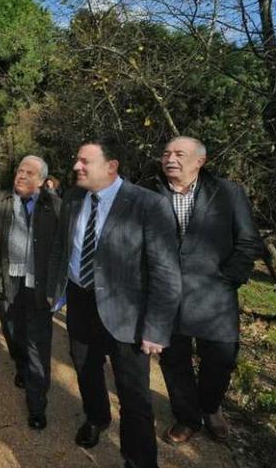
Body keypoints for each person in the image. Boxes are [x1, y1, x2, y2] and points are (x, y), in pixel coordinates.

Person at [47, 141, 181, 468]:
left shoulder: (147, 204)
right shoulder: (73, 199)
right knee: (86, 369)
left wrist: (156, 328)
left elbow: (165, 272)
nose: (76, 167)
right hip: (81, 302)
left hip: (127, 313)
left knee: (134, 395)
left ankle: (138, 460)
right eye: (76, 160)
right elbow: (62, 250)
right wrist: (55, 292)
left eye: (85, 161)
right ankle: (97, 418)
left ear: (111, 166)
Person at [151, 137, 263, 444]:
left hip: (215, 298)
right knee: (174, 361)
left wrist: (229, 278)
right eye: (166, 153)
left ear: (200, 161)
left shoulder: (228, 193)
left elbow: (249, 240)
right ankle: (187, 418)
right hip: (167, 298)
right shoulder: (149, 193)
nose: (170, 158)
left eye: (179, 154)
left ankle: (211, 407)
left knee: (221, 358)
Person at [0, 156, 61, 430]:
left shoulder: (54, 206)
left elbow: (64, 246)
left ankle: (37, 404)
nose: (21, 175)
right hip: (7, 282)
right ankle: (21, 366)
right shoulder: (0, 200)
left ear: (42, 181)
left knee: (38, 344)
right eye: (19, 170)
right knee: (13, 333)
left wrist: (59, 287)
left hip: (38, 287)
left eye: (29, 172)